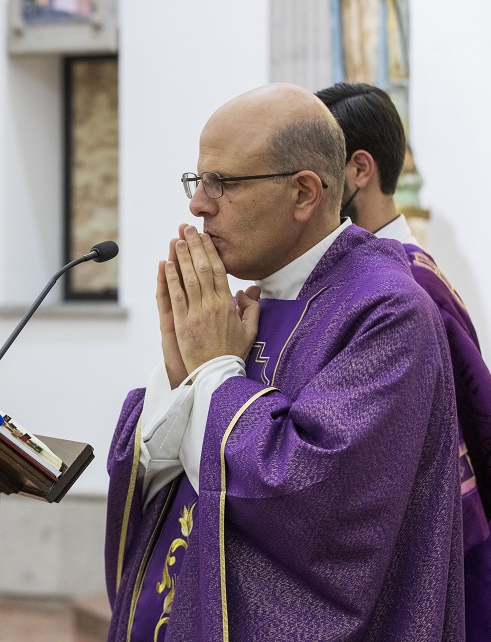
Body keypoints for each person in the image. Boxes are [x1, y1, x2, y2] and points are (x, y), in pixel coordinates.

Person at [104, 84, 464, 641]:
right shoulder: (253, 302)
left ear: (303, 194)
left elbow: (313, 503)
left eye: (223, 183)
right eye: (198, 181)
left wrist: (213, 373)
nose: (199, 204)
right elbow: (161, 477)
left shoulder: (388, 312)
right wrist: (182, 376)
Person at [315, 81, 491, 642]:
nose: (305, 189)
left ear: (359, 169)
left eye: (318, 170)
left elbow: (462, 454)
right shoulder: (366, 275)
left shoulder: (407, 286)